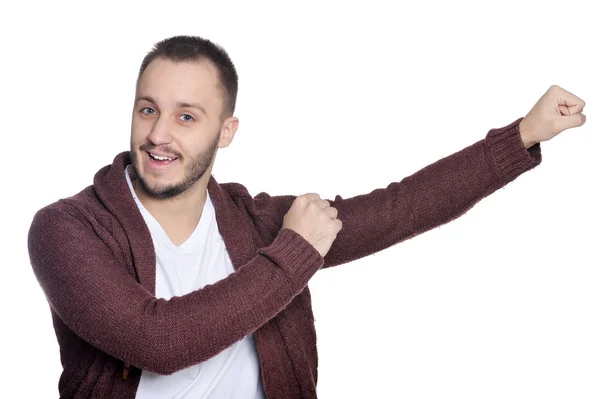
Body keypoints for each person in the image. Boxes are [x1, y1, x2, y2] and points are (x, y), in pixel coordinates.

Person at [27, 35, 586, 399]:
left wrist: (523, 136)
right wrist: (295, 253)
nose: (158, 135)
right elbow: (159, 342)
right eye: (148, 109)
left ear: (226, 132)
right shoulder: (67, 229)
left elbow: (399, 208)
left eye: (186, 116)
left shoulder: (257, 221)